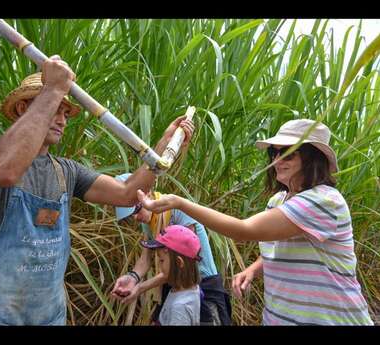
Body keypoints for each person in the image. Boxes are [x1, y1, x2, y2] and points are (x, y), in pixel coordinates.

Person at [0, 55, 195, 325]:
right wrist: (53, 89)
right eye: (56, 108)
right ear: (23, 108)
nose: (63, 120)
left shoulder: (67, 171)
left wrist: (163, 146)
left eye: (66, 113)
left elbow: (126, 192)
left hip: (46, 317)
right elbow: (4, 170)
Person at [137, 119, 374, 325]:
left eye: (288, 152)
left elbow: (244, 230)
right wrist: (253, 269)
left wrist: (180, 203)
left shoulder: (323, 201)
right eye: (274, 152)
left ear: (312, 157)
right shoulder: (278, 201)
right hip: (279, 318)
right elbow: (279, 246)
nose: (278, 160)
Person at [111, 174, 231, 325]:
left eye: (136, 211)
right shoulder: (148, 220)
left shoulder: (176, 210)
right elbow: (146, 257)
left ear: (147, 194)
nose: (135, 218)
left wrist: (140, 288)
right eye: (131, 215)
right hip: (176, 283)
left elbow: (183, 264)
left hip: (201, 283)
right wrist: (132, 278)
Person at [140, 225, 203, 325]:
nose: (159, 267)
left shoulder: (180, 308)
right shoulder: (185, 290)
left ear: (179, 263)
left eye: (161, 260)